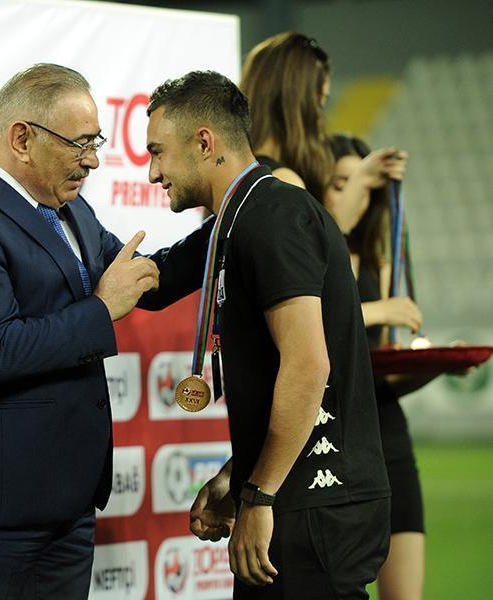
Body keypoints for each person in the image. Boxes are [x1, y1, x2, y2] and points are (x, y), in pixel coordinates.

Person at [0, 63, 212, 598]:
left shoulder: (69, 207)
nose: (92, 160)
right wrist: (101, 309)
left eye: (95, 142)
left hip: (68, 506)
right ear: (22, 139)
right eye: (80, 144)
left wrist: (230, 218)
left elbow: (145, 279)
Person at [146, 70, 391, 599]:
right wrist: (239, 477)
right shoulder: (239, 220)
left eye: (158, 152)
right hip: (293, 497)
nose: (152, 172)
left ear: (204, 142)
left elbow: (308, 367)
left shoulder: (272, 216)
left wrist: (258, 495)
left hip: (311, 503)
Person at [327, 134, 430, 600]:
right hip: (333, 442)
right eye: (341, 183)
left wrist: (435, 366)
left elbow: (380, 375)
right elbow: (316, 331)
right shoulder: (306, 257)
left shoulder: (378, 259)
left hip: (388, 436)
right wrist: (380, 310)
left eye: (365, 185)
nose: (356, 195)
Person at [240, 31, 403, 231]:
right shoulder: (284, 183)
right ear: (300, 101)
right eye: (321, 101)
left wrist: (362, 179)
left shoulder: (235, 177)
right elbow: (318, 248)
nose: (320, 116)